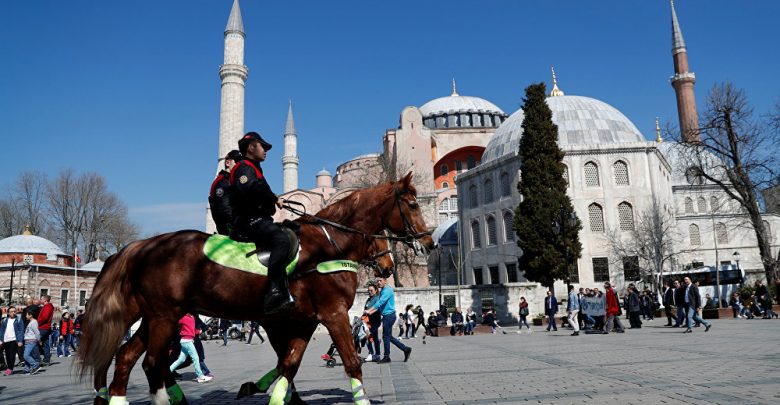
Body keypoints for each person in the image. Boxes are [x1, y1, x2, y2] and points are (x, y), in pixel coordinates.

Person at [230, 132, 292, 314]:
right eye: (262, 146)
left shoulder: (254, 168)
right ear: (251, 147)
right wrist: (272, 198)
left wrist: (273, 199)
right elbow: (250, 188)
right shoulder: (244, 168)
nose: (265, 150)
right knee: (281, 240)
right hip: (248, 220)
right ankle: (273, 291)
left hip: (258, 219)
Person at [364, 277, 412, 363]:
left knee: (385, 336)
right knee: (389, 336)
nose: (378, 282)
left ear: (385, 281)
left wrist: (369, 310)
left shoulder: (387, 290)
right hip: (387, 316)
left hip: (389, 316)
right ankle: (405, 349)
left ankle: (387, 357)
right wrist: (371, 312)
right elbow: (380, 306)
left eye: (380, 280)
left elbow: (380, 302)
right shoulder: (383, 290)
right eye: (377, 281)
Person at [169, 314, 212, 383]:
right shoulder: (183, 317)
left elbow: (193, 330)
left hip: (187, 341)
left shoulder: (192, 317)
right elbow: (175, 321)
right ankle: (200, 376)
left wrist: (200, 331)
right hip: (187, 341)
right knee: (196, 358)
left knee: (181, 359)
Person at [209, 149, 241, 235]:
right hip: (229, 229)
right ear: (228, 163)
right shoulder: (222, 182)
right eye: (237, 162)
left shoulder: (232, 181)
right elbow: (225, 209)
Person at [0, 307, 24, 375]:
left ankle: (10, 369)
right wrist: (1, 340)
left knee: (11, 355)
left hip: (14, 340)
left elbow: (21, 330)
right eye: (11, 311)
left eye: (14, 311)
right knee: (7, 355)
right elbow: (2, 330)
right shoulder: (5, 320)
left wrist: (20, 340)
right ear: (8, 313)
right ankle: (9, 368)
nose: (13, 313)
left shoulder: (18, 320)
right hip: (6, 340)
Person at [363, 283, 381, 362]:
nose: (369, 292)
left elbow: (377, 307)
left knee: (368, 336)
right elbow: (365, 309)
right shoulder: (368, 299)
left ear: (376, 290)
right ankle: (377, 355)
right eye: (368, 290)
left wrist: (370, 312)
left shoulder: (377, 298)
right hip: (368, 321)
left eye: (371, 290)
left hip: (375, 321)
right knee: (375, 338)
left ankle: (371, 354)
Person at [37, 295, 54, 366]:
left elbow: (44, 318)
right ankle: (46, 359)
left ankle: (36, 360)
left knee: (35, 343)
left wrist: (37, 323)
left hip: (43, 328)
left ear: (45, 300)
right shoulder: (48, 307)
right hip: (46, 328)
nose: (40, 300)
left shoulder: (47, 307)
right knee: (45, 344)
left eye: (41, 299)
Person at [22, 311, 40, 375]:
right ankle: (26, 369)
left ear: (31, 315)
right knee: (28, 355)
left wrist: (39, 340)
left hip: (31, 341)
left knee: (26, 355)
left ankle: (35, 365)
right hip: (28, 341)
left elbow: (37, 332)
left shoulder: (34, 322)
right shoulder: (31, 322)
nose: (26, 316)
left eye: (27, 315)